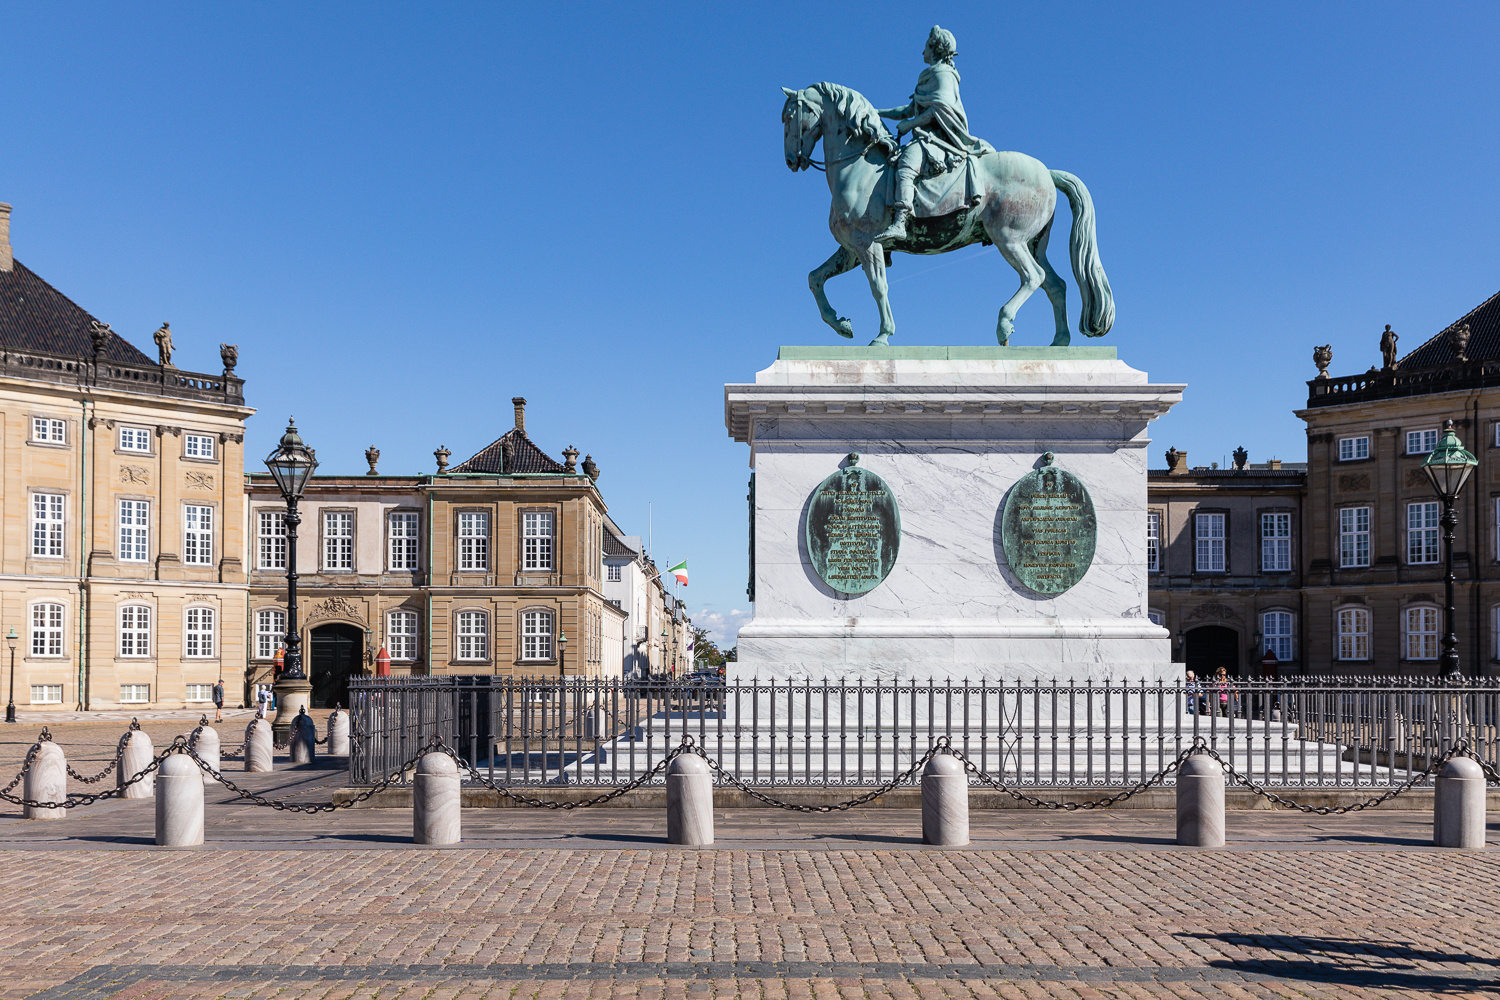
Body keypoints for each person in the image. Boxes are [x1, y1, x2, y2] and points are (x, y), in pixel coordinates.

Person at [872, 25, 993, 244]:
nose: (922, 52)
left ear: (935, 48)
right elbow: (907, 110)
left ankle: (900, 222)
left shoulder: (944, 74)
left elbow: (939, 108)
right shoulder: (930, 75)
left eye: (926, 47)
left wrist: (910, 125)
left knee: (906, 167)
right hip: (926, 136)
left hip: (939, 139)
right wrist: (876, 112)